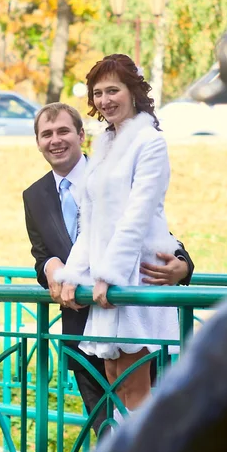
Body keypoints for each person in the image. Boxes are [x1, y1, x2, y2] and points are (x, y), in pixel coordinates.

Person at [23, 100, 193, 435]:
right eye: (46, 134)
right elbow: (41, 255)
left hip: (131, 318)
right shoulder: (34, 195)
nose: (55, 140)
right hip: (81, 328)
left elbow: (150, 228)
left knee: (142, 419)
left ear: (81, 135)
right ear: (38, 142)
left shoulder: (111, 172)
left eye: (63, 131)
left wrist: (184, 266)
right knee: (104, 430)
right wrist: (51, 267)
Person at [53, 54, 182, 414]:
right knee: (113, 375)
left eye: (114, 90)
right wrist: (73, 275)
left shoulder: (150, 142)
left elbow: (137, 216)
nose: (105, 100)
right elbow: (90, 221)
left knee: (134, 384)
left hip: (135, 275)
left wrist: (109, 275)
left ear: (133, 92)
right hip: (106, 281)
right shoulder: (105, 144)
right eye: (98, 92)